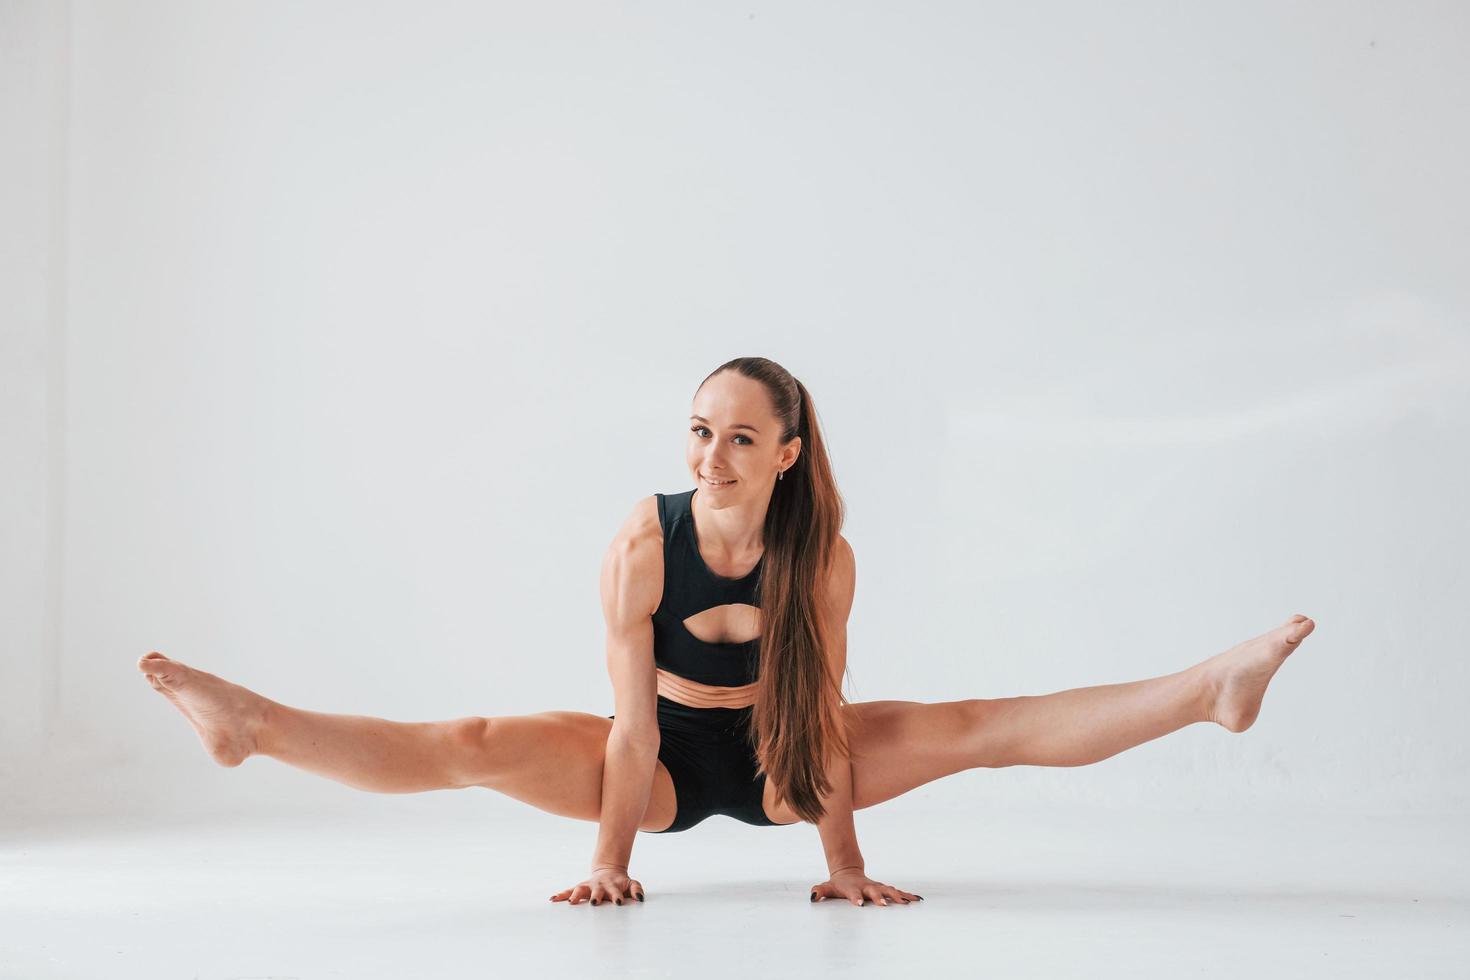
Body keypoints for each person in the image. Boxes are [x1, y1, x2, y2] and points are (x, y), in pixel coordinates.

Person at [137, 355, 1316, 908]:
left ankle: (1205, 687)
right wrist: (610, 859)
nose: (712, 454)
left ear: (788, 453)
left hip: (786, 764)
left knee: (976, 724)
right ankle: (253, 724)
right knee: (476, 735)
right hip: (652, 768)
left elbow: (819, 718)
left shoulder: (822, 557)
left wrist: (841, 862)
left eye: (742, 437)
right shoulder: (642, 544)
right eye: (701, 429)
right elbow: (633, 721)